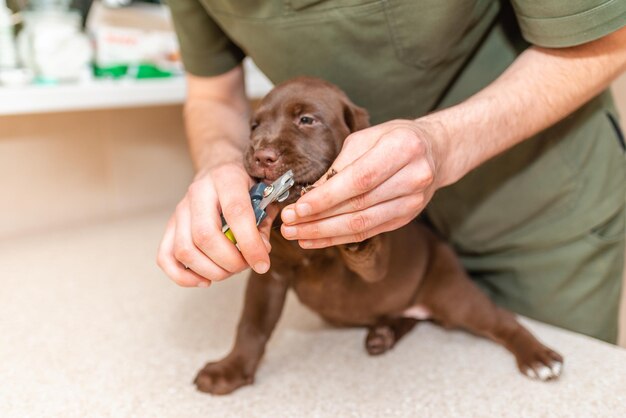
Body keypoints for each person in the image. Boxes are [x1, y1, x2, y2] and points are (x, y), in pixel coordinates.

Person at [157, 0, 626, 343]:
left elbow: (608, 36)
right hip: (353, 242)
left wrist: (443, 143)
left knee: (553, 375)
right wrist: (220, 160)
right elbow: (213, 94)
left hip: (533, 193)